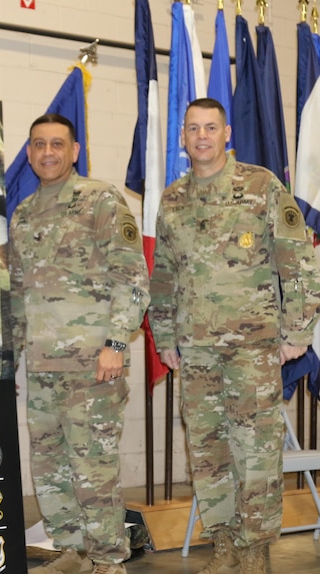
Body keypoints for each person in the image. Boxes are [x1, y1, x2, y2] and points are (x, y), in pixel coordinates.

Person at [148, 98, 320, 574]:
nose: (201, 136)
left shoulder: (261, 186)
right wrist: (164, 337)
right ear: (182, 139)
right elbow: (163, 274)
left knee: (256, 450)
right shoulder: (173, 199)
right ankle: (223, 543)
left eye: (210, 128)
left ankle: (255, 548)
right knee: (207, 451)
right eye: (192, 129)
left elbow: (300, 260)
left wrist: (298, 333)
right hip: (196, 350)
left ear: (227, 134)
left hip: (254, 348)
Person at [9, 113, 150, 574]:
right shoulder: (25, 214)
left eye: (57, 144)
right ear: (29, 154)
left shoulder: (100, 199)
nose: (47, 152)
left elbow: (131, 277)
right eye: (38, 145)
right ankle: (73, 551)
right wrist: (10, 358)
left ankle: (109, 561)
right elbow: (17, 293)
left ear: (74, 151)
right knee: (50, 470)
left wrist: (115, 341)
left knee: (94, 472)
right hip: (43, 367)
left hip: (93, 365)